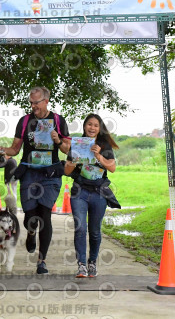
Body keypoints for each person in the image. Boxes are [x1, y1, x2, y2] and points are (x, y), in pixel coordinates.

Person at [0, 86, 70, 274]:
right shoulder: (25, 121)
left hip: (50, 175)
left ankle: (41, 261)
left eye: (36, 102)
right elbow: (15, 149)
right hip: (29, 172)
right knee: (31, 217)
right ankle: (30, 233)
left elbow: (68, 149)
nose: (33, 106)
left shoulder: (58, 121)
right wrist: (2, 150)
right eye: (31, 102)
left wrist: (58, 141)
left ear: (46, 101)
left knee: (45, 215)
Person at [64, 113, 119, 278]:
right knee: (80, 228)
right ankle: (81, 265)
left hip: (99, 193)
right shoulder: (78, 145)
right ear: (84, 126)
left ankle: (92, 262)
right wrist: (74, 161)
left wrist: (98, 156)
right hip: (79, 191)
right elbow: (66, 171)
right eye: (89, 124)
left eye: (95, 125)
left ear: (99, 128)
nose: (92, 128)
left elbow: (112, 168)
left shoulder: (104, 146)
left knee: (95, 231)